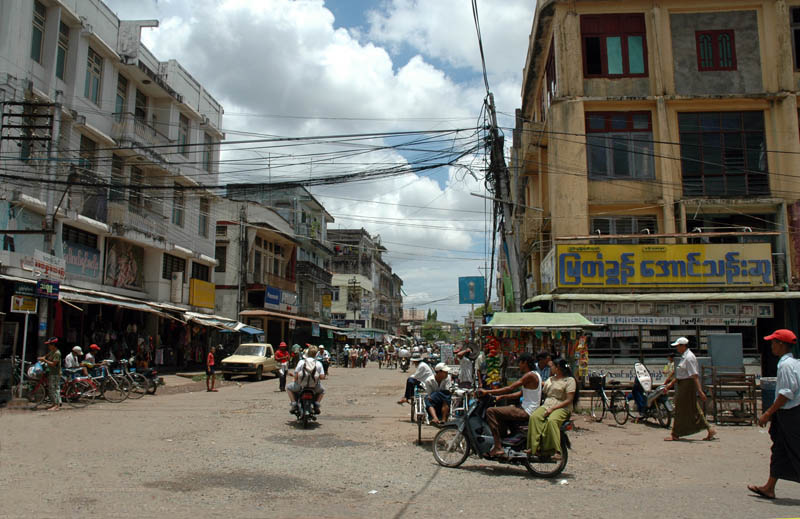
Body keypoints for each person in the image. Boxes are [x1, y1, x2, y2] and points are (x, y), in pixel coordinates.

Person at [748, 329, 800, 499]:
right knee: (779, 449)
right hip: (786, 414)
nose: (771, 346)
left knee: (795, 450)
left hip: (791, 414)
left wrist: (768, 413)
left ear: (781, 344)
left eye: (773, 342)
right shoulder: (794, 363)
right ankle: (769, 487)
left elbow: (785, 394)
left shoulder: (786, 366)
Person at [478, 353, 541, 458]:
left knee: (490, 411)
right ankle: (506, 441)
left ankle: (497, 447)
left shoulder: (529, 375)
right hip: (527, 408)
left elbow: (510, 388)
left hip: (527, 410)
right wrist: (501, 397)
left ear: (525, 363)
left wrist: (487, 391)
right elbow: (520, 393)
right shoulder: (535, 374)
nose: (519, 366)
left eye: (520, 363)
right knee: (501, 411)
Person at [663, 337, 716, 441]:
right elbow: (680, 375)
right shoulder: (684, 357)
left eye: (678, 346)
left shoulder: (689, 357)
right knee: (693, 407)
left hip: (687, 385)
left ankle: (675, 434)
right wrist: (670, 384)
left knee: (680, 409)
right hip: (683, 384)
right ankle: (709, 428)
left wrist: (700, 391)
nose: (677, 348)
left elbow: (694, 376)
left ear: (683, 346)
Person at [526, 357, 576, 459]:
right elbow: (542, 388)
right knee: (534, 417)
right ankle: (534, 447)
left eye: (552, 366)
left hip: (562, 407)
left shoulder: (569, 380)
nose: (550, 368)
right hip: (547, 404)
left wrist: (552, 409)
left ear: (558, 368)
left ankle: (556, 450)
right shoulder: (551, 379)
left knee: (552, 421)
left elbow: (569, 399)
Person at [288, 345, 326, 414]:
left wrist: (294, 379)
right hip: (314, 387)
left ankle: (294, 404)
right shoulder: (318, 363)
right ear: (316, 354)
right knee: (323, 390)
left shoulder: (301, 362)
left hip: (301, 386)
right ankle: (317, 404)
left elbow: (296, 374)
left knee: (288, 387)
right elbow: (322, 377)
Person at [38, 337, 61, 411]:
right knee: (51, 389)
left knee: (54, 389)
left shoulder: (57, 353)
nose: (48, 346)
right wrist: (42, 358)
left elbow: (54, 364)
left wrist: (44, 360)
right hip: (51, 372)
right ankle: (54, 404)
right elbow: (46, 356)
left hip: (55, 373)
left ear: (53, 345)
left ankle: (57, 405)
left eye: (49, 345)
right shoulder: (52, 351)